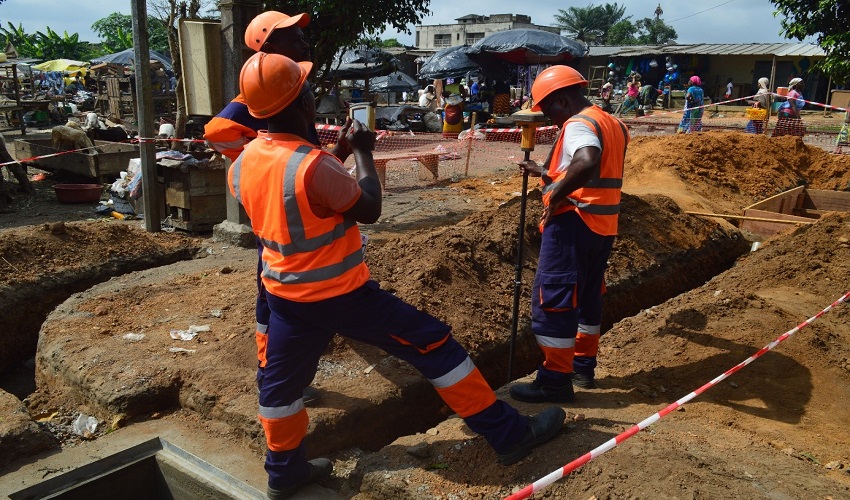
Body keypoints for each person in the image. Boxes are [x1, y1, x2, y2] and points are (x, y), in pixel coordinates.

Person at [231, 51, 566, 498]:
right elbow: (367, 207)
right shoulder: (313, 166)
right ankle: (509, 435)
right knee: (434, 345)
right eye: (308, 89)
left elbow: (300, 197)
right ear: (304, 104)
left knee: (280, 387)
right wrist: (363, 155)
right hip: (342, 295)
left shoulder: (245, 162)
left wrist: (340, 153)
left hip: (286, 298)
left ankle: (283, 472)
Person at [204, 10, 350, 408]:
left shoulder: (290, 86)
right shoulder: (260, 95)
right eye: (292, 36)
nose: (303, 41)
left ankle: (283, 378)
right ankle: (271, 376)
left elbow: (302, 157)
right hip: (286, 222)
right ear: (268, 47)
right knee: (273, 298)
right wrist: (251, 161)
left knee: (285, 299)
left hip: (301, 211)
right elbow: (217, 132)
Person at [512, 65, 629, 402]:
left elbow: (588, 160)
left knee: (555, 300)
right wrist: (546, 173)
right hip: (602, 227)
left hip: (573, 224)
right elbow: (594, 173)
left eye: (547, 109)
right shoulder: (613, 123)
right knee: (588, 295)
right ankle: (582, 367)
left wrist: (558, 193)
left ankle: (554, 381)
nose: (547, 117)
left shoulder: (579, 124)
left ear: (561, 100)